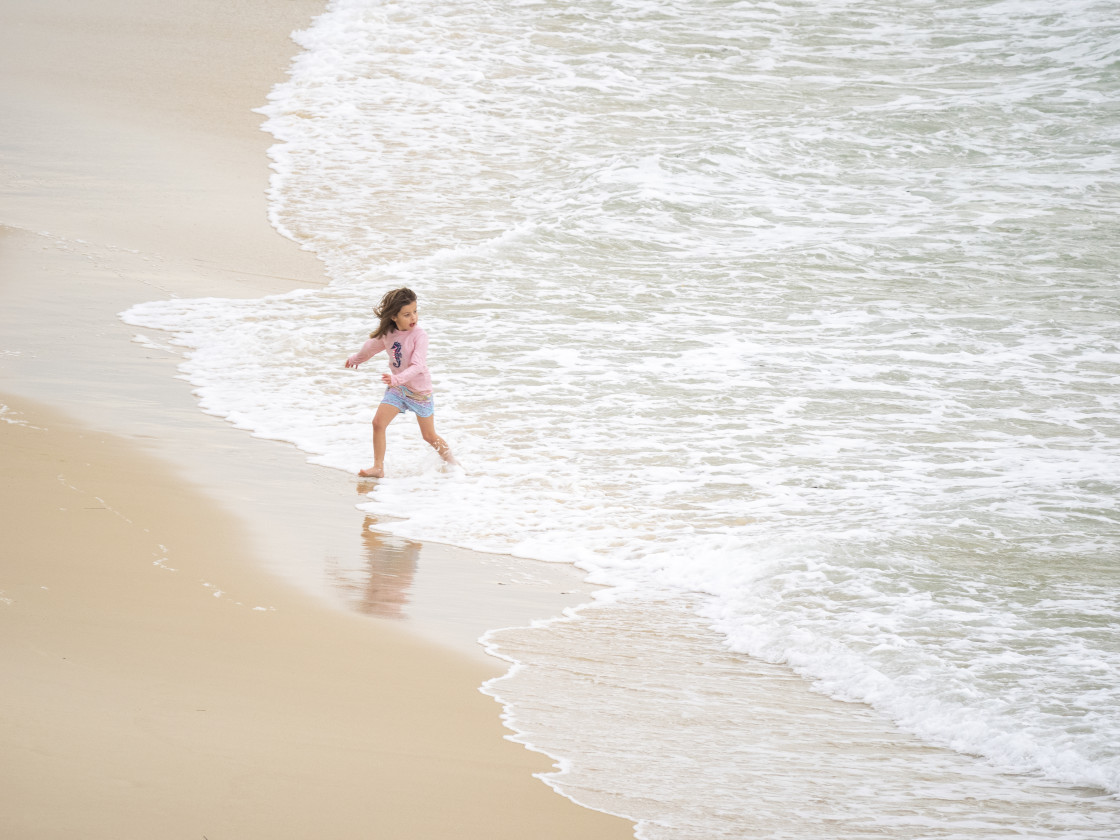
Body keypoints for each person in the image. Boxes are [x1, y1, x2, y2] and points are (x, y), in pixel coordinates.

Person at [344, 287, 455, 478]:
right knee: (378, 423)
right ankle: (378, 468)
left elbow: (418, 365)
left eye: (415, 312)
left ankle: (453, 463)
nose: (413, 317)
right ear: (394, 316)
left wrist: (396, 378)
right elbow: (371, 347)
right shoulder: (388, 333)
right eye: (407, 314)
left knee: (429, 436)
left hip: (420, 392)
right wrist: (356, 359)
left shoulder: (420, 335)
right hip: (398, 389)